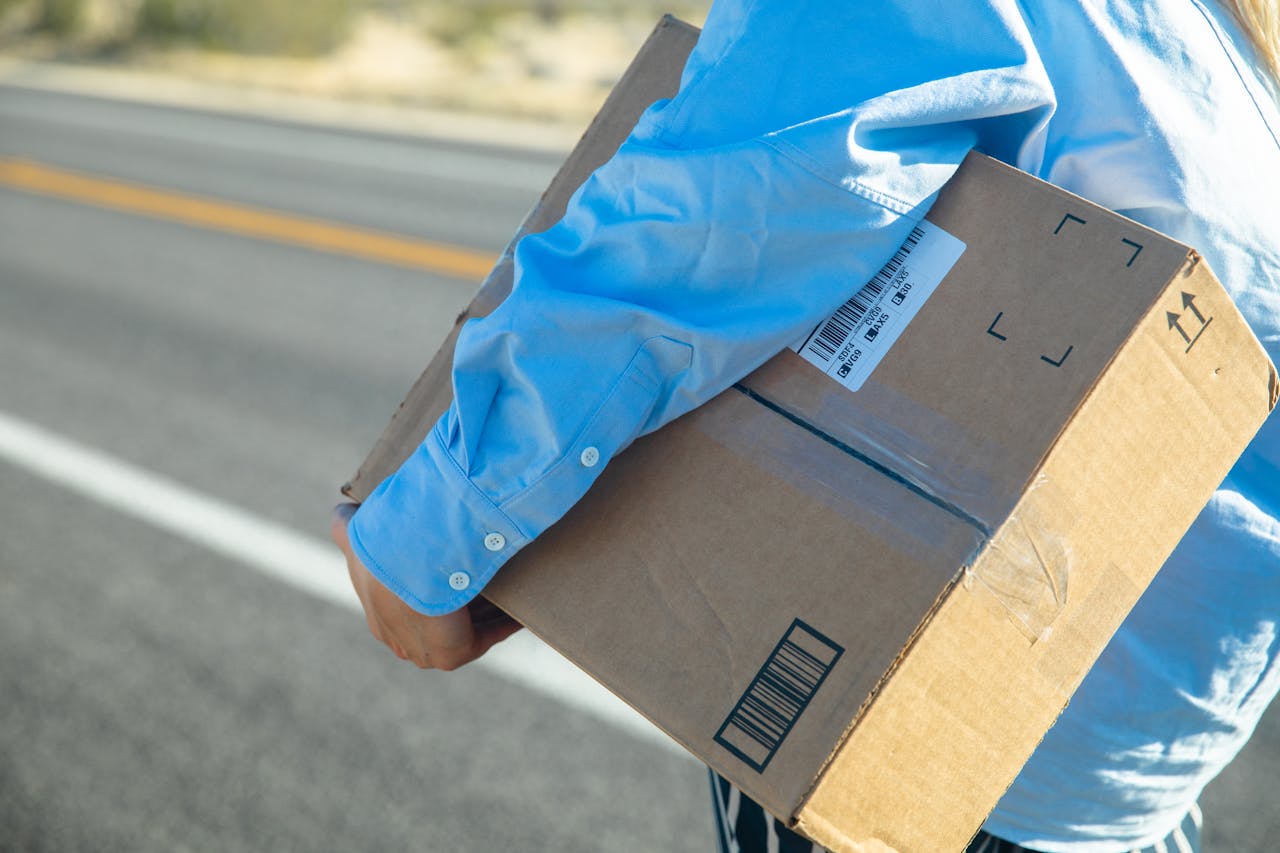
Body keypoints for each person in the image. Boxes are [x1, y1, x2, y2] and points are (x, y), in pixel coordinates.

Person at [330, 0, 1280, 850]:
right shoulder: (1228, 40)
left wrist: (440, 525)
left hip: (919, 754)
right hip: (1130, 777)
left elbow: (733, 206)